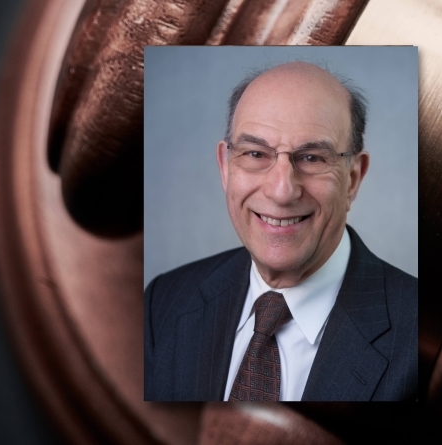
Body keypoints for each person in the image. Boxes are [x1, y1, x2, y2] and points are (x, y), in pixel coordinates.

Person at [144, 62, 417, 401]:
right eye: (256, 153)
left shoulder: (423, 336)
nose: (282, 191)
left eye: (313, 158)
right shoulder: (165, 302)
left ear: (352, 179)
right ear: (226, 167)